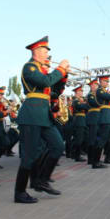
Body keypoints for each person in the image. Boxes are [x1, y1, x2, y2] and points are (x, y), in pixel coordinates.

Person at [14, 36, 69, 204]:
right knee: (29, 156)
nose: (47, 55)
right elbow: (46, 81)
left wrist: (63, 78)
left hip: (43, 115)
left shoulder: (43, 70)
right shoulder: (29, 67)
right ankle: (20, 192)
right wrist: (60, 69)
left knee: (58, 145)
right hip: (31, 114)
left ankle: (41, 180)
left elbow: (54, 91)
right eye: (44, 51)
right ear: (36, 52)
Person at [71, 85, 89, 162]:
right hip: (78, 120)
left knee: (82, 138)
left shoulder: (81, 100)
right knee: (78, 139)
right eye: (80, 91)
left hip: (82, 120)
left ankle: (75, 153)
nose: (82, 92)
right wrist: (87, 103)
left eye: (82, 91)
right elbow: (82, 107)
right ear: (77, 92)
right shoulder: (75, 101)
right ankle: (76, 156)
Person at [86, 79, 101, 164]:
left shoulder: (98, 96)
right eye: (93, 85)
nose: (95, 86)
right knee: (92, 139)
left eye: (96, 85)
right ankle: (90, 159)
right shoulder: (90, 95)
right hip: (93, 119)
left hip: (98, 119)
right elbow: (95, 103)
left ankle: (96, 158)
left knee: (97, 139)